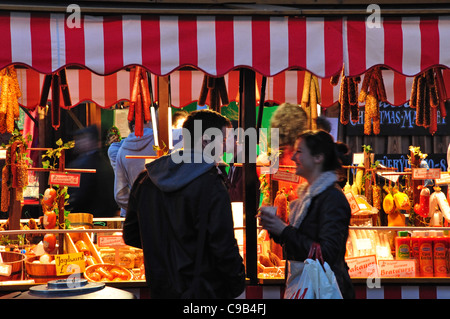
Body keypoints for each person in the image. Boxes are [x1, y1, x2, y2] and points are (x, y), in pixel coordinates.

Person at [123, 109, 245, 299]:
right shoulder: (212, 184)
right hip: (204, 291)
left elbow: (131, 235)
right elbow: (223, 246)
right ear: (206, 141)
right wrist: (238, 283)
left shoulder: (145, 180)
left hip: (160, 288)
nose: (226, 148)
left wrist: (163, 251)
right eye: (223, 141)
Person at [259, 129, 355, 299]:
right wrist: (274, 227)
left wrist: (284, 230)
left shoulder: (332, 198)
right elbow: (299, 245)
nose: (294, 157)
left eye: (300, 152)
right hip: (308, 286)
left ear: (318, 158)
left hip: (326, 290)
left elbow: (326, 253)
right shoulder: (308, 197)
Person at [67, 125, 119, 217]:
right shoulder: (104, 161)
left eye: (81, 139)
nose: (77, 142)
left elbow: (78, 197)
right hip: (105, 218)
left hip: (88, 219)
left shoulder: (84, 164)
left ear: (90, 141)